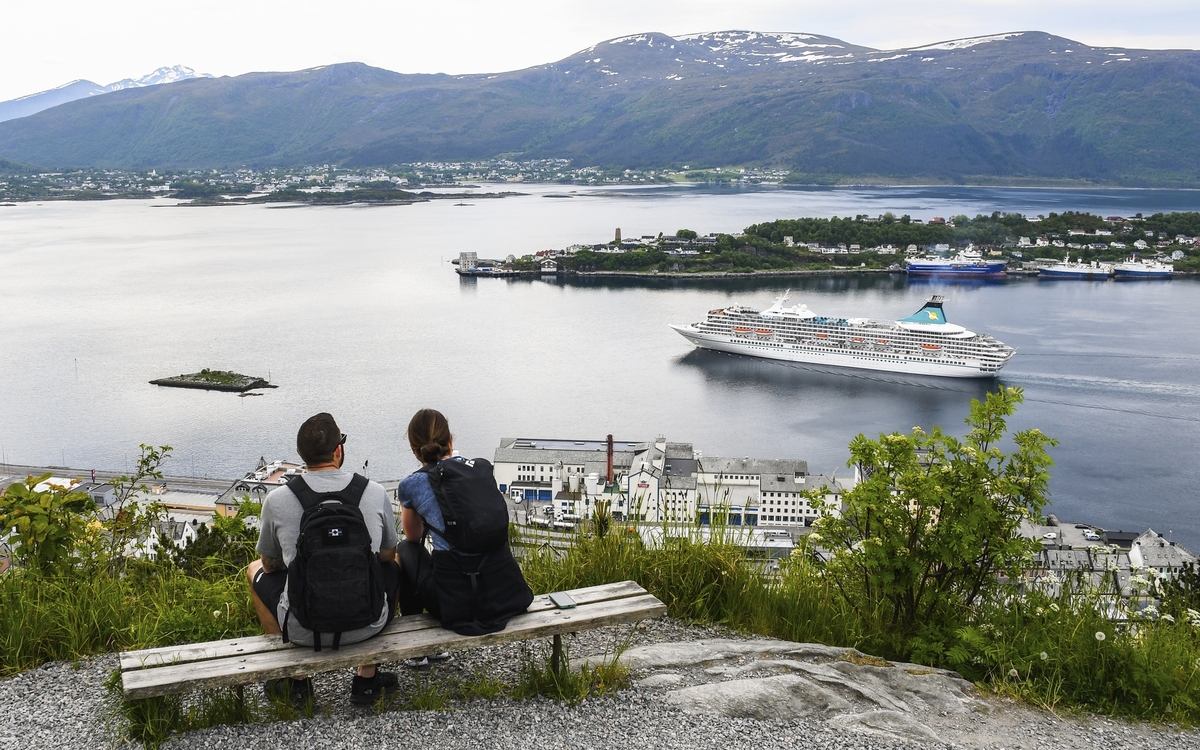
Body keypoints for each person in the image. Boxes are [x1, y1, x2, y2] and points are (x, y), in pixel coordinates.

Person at [247, 412, 401, 707]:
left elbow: (269, 564)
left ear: (300, 455)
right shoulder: (374, 491)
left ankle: (296, 682)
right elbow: (387, 555)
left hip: (304, 627)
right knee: (396, 564)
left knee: (254, 570)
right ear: (338, 450)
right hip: (369, 622)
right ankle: (366, 680)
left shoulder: (277, 500)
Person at [396, 408, 532, 648]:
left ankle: (418, 650)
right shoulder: (480, 469)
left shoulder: (412, 484)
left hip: (453, 602)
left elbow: (413, 536)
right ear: (450, 441)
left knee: (406, 549)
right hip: (504, 593)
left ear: (415, 451)